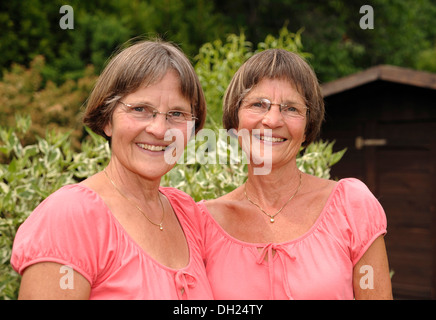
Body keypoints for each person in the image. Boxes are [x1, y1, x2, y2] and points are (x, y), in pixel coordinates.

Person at [11, 40, 213, 299]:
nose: (160, 130)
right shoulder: (72, 217)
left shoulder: (186, 214)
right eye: (140, 109)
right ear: (107, 119)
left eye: (176, 114)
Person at [196, 49, 392, 299]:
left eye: (291, 108)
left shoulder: (351, 206)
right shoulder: (202, 223)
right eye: (258, 104)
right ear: (235, 119)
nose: (273, 120)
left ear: (308, 126)